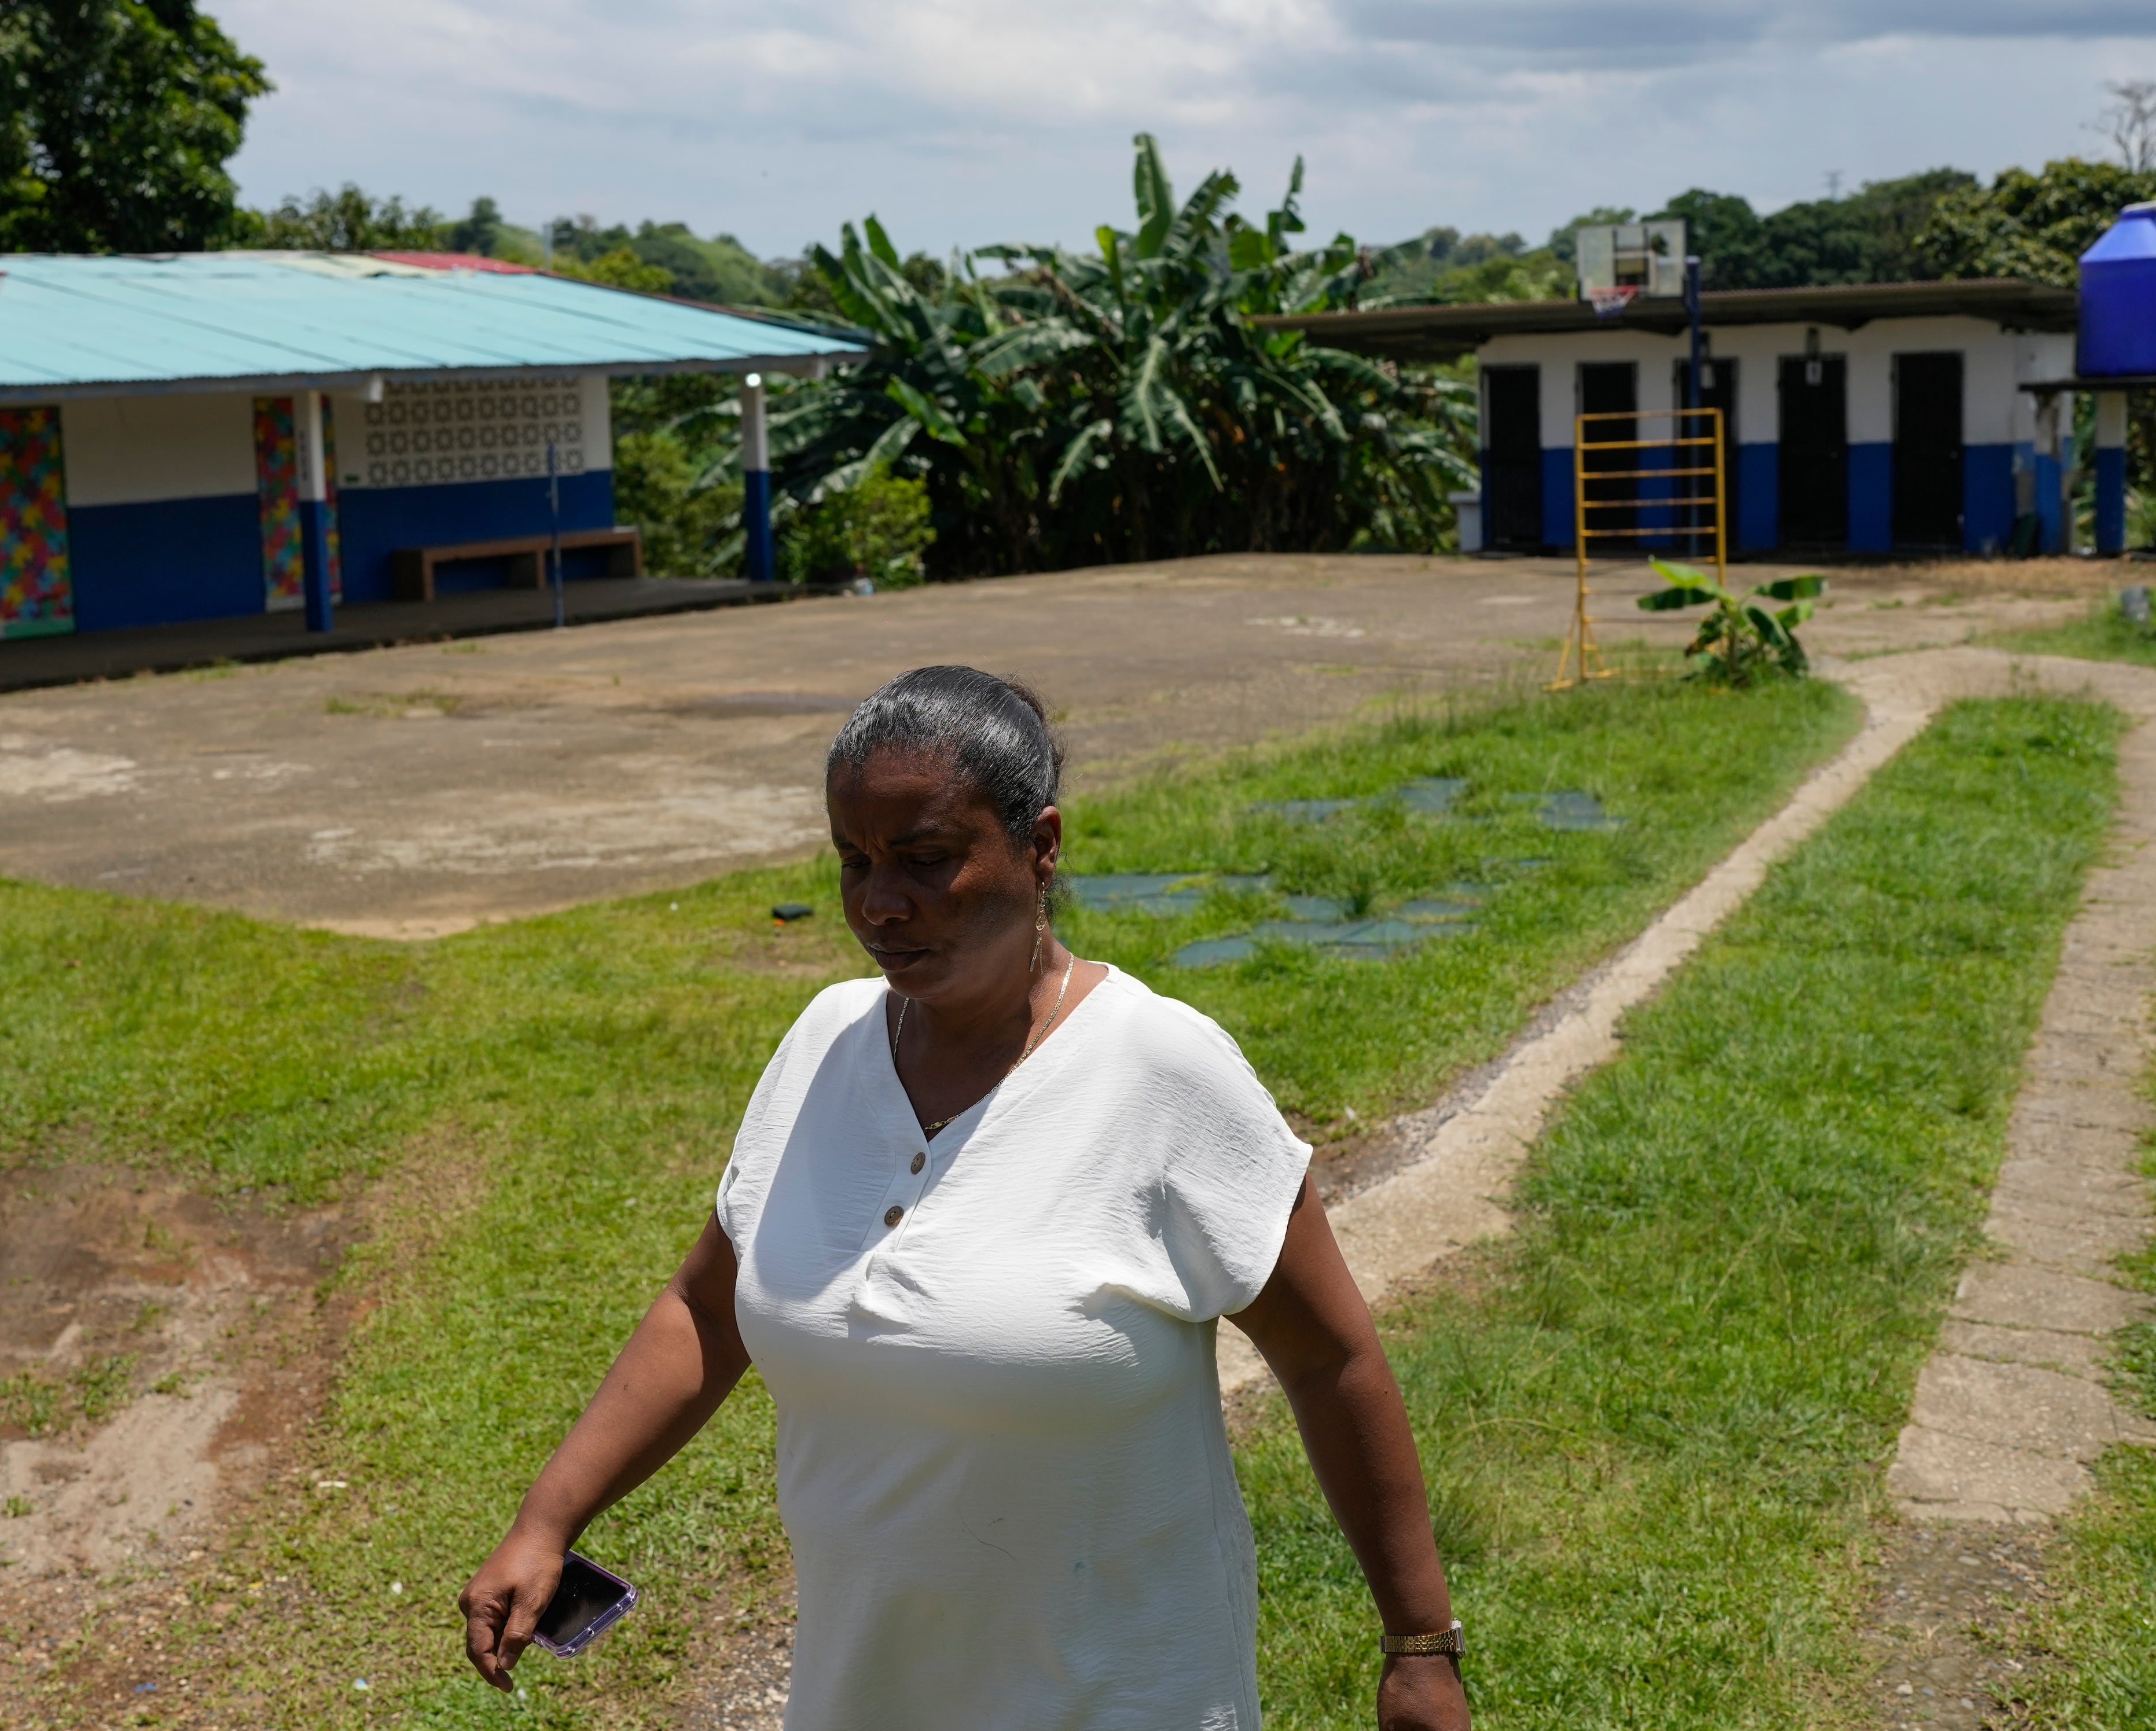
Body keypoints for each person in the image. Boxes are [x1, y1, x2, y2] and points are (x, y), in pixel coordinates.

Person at [461, 665, 1470, 1730]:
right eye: (854, 860)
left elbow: (1331, 1356)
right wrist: (549, 1516)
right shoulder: (823, 1046)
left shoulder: (1161, 1070)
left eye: (926, 859)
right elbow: (710, 1308)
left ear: (1040, 847)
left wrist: (1419, 1645)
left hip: (1118, 1699)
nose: (877, 903)